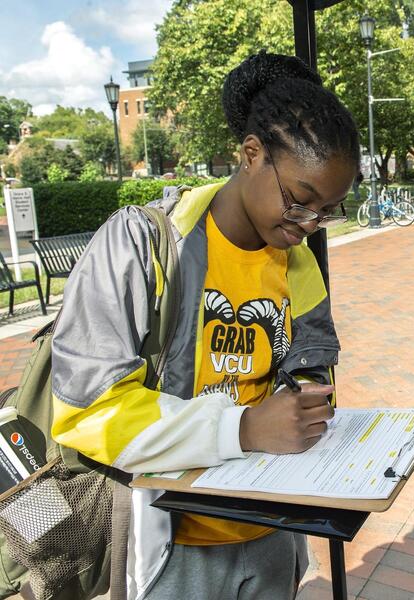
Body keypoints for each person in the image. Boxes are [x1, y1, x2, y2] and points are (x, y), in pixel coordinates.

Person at [50, 51, 359, 600]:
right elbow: (86, 411)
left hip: (273, 530)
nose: (308, 225)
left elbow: (311, 362)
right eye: (299, 201)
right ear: (251, 154)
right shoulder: (142, 244)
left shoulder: (298, 260)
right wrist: (240, 428)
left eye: (326, 212)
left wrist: (309, 397)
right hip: (172, 543)